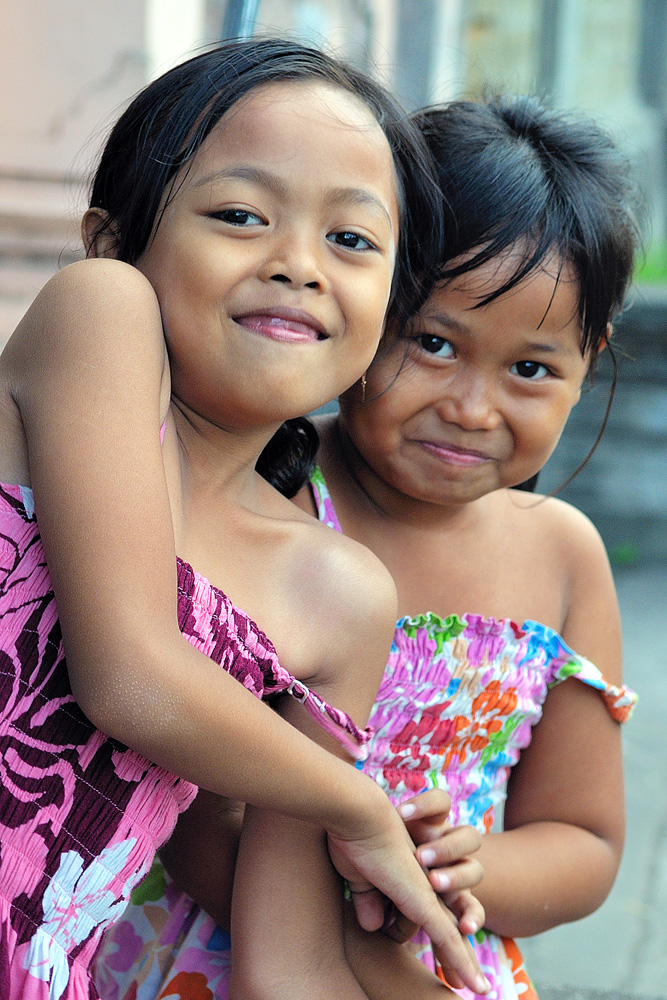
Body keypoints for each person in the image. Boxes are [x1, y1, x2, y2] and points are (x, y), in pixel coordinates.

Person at [95, 94, 640, 1000]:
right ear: (368, 301)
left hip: (438, 959)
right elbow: (184, 807)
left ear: (591, 359)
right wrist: (361, 957)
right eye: (431, 342)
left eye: (531, 369)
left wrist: (474, 873)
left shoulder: (562, 557)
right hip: (212, 952)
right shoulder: (265, 503)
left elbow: (583, 841)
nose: (471, 408)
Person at [0, 39, 496, 1000]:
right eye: (239, 215)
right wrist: (360, 806)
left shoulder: (339, 595)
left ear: (390, 309)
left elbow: (292, 964)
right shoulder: (99, 313)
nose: (298, 264)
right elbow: (131, 675)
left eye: (351, 240)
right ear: (114, 242)